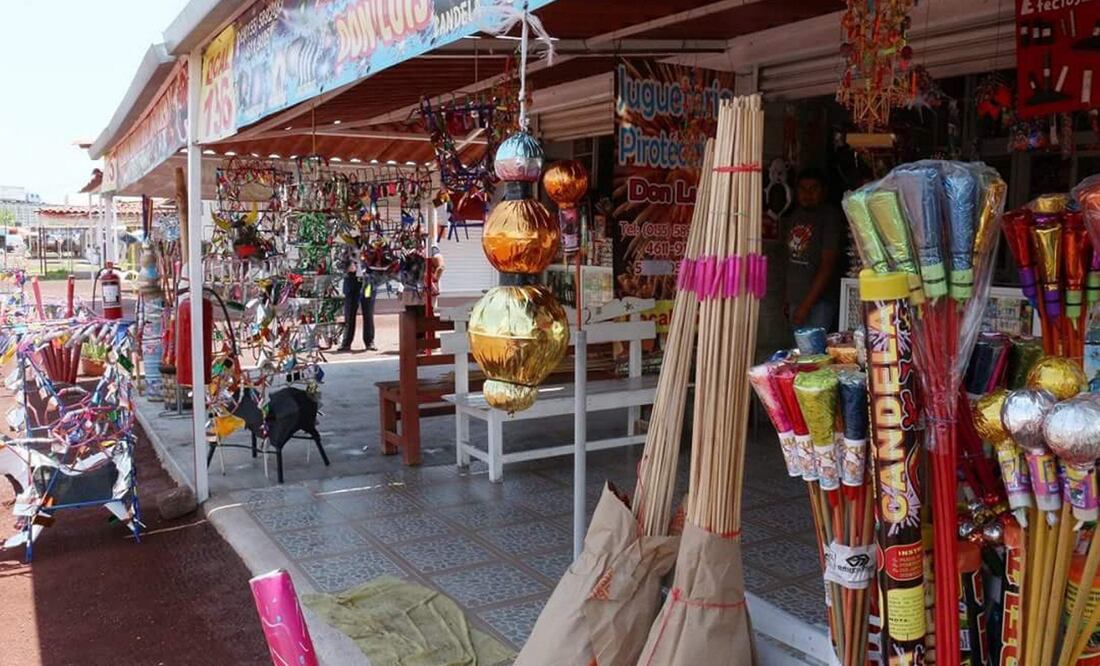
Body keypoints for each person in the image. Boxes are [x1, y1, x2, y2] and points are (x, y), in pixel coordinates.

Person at [784, 167, 842, 332]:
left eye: (813, 189)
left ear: (824, 191)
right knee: (798, 352)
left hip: (819, 302)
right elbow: (790, 261)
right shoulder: (795, 216)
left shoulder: (829, 217)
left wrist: (806, 306)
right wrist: (788, 298)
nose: (807, 194)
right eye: (802, 189)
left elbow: (827, 265)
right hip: (796, 299)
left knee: (813, 354)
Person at [338, 253, 376, 352]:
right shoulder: (348, 247)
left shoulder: (370, 247)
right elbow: (339, 263)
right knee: (349, 314)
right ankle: (346, 343)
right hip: (352, 282)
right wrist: (347, 266)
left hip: (367, 283)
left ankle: (369, 341)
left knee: (368, 313)